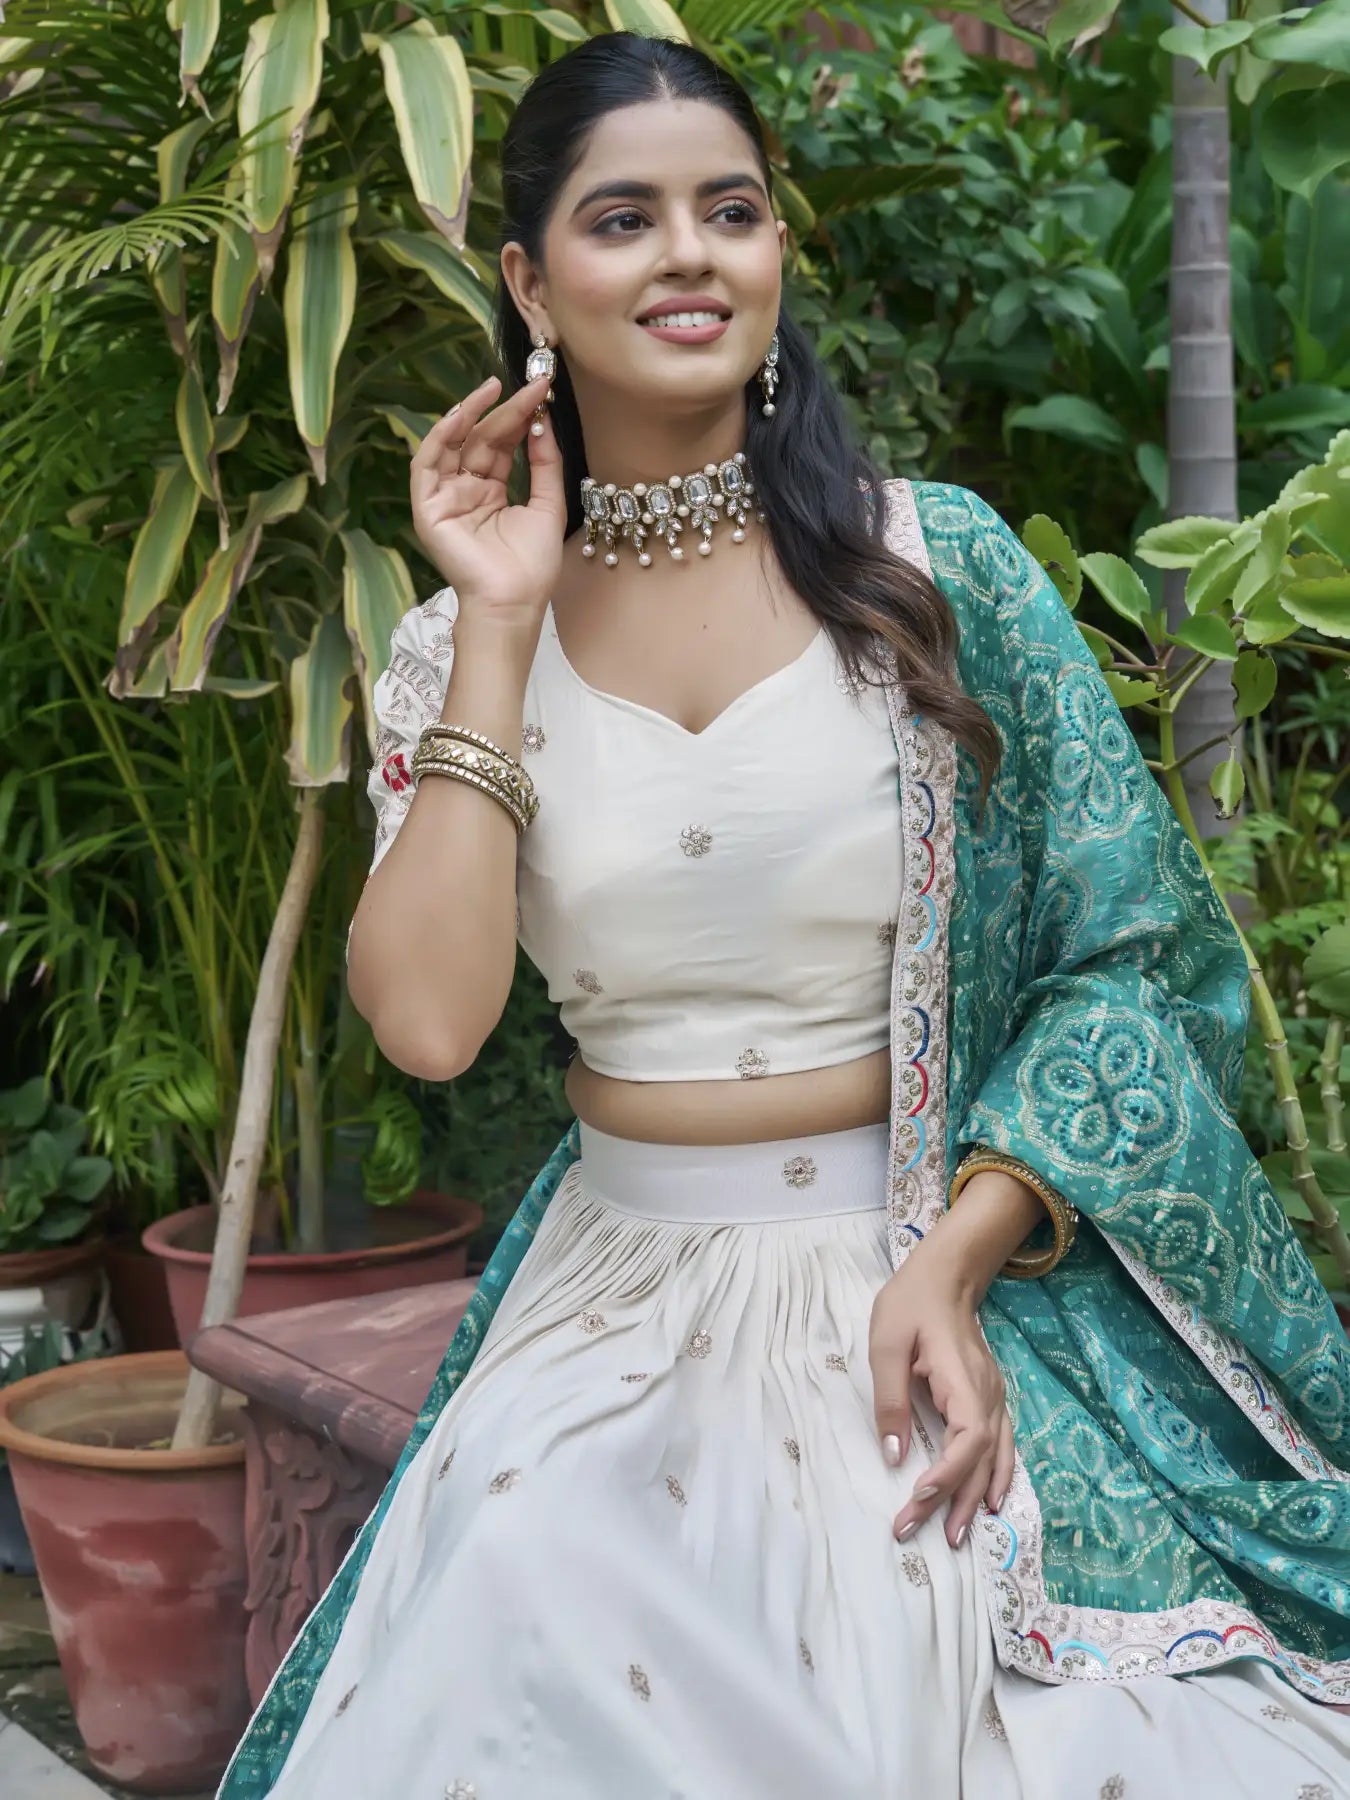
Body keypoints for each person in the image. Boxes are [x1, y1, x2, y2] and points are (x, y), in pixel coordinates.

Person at [218, 32, 1350, 1800]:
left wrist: (956, 1257)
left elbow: (1135, 961)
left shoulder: (934, 573)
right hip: (615, 1312)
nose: (688, 254)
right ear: (529, 281)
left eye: (729, 211)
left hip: (933, 1267)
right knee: (532, 1640)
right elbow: (427, 1027)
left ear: (773, 251)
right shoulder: (456, 647)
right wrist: (500, 622)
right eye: (623, 219)